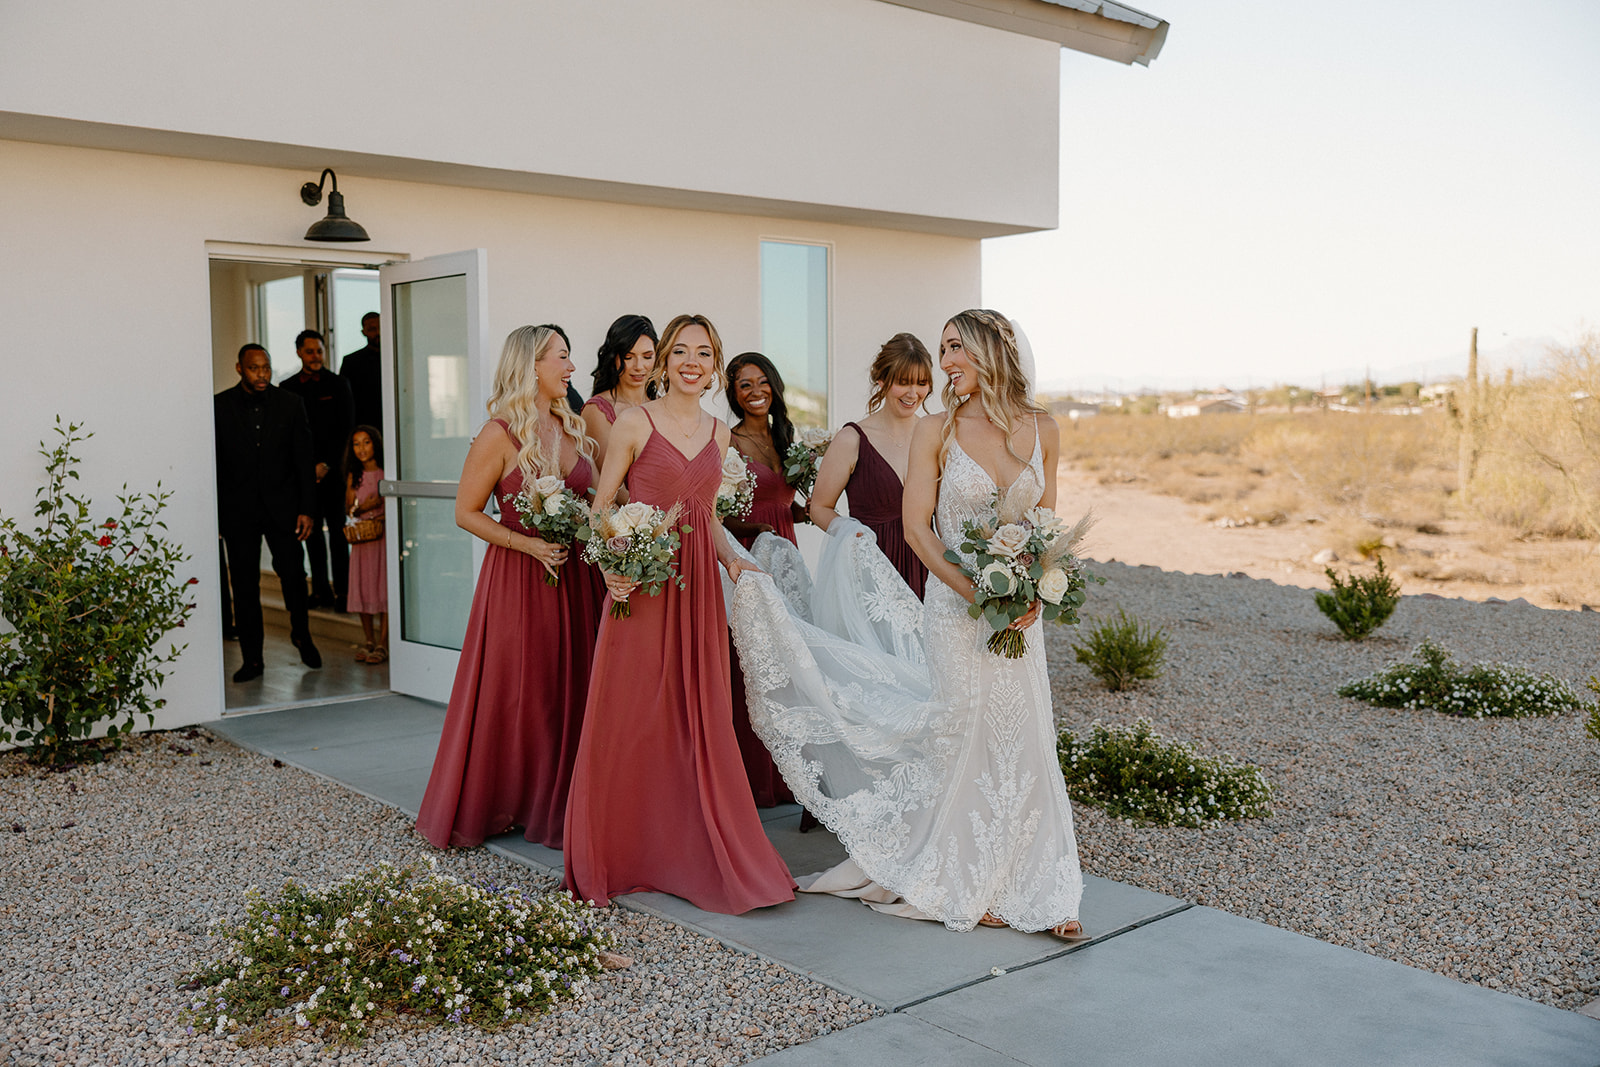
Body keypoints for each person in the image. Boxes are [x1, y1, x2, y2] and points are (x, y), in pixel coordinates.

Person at [726, 310, 1086, 941]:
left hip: (1020, 620)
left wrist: (1032, 589)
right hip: (954, 610)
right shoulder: (936, 433)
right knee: (964, 736)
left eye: (954, 348)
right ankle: (969, 878)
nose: (945, 362)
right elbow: (918, 528)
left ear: (988, 350)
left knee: (1027, 740)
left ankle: (1041, 885)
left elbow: (1045, 527)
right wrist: (975, 590)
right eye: (943, 349)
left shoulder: (1045, 429)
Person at [563, 314, 796, 916]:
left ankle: (688, 845)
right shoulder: (635, 422)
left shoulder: (720, 434)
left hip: (698, 591)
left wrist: (733, 560)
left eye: (704, 353)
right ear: (665, 360)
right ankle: (620, 850)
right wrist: (610, 565)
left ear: (713, 364)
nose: (691, 362)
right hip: (643, 585)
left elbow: (704, 512)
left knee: (696, 713)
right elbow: (601, 506)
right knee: (633, 712)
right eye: (681, 352)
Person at [416, 325, 608, 853]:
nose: (571, 368)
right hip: (521, 577)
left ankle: (559, 799)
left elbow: (592, 501)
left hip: (575, 576)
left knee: (568, 686)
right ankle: (509, 798)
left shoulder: (572, 427)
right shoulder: (499, 434)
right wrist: (526, 546)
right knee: (523, 690)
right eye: (562, 358)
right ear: (533, 365)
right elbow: (465, 512)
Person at [213, 343, 320, 681]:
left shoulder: (290, 404)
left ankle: (301, 633)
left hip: (284, 510)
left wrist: (307, 510)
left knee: (293, 576)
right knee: (244, 587)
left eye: (266, 367)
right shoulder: (218, 406)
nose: (262, 374)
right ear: (239, 368)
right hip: (238, 513)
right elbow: (213, 464)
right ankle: (253, 659)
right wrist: (214, 514)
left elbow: (304, 461)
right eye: (254, 368)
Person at [808, 333, 933, 597]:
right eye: (903, 382)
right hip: (873, 575)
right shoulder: (851, 439)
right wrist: (851, 534)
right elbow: (819, 507)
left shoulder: (935, 436)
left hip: (929, 570)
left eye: (922, 383)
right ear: (882, 380)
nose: (913, 393)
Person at [279, 329, 355, 611]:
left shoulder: (339, 384)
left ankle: (344, 594)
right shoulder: (286, 387)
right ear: (299, 352)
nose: (315, 356)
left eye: (319, 351)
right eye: (309, 351)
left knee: (337, 533)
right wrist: (305, 468)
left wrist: (327, 464)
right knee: (310, 534)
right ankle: (320, 590)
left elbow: (347, 429)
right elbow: (286, 433)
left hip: (334, 473)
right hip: (302, 476)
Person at [723, 352, 807, 547]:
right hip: (749, 548)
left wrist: (806, 512)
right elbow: (719, 515)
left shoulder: (784, 437)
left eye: (763, 382)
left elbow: (780, 505)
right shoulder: (728, 442)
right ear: (734, 394)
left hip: (785, 548)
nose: (756, 391)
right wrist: (758, 529)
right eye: (745, 385)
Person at [581, 314, 658, 473]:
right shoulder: (598, 411)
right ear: (613, 358)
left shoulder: (664, 405)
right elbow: (608, 480)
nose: (639, 366)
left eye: (647, 356)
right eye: (628, 357)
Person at [342, 425, 388, 664]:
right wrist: (365, 507)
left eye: (366, 442)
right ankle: (368, 639)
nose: (361, 449)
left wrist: (376, 512)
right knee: (362, 585)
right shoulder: (354, 475)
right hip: (362, 538)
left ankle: (384, 643)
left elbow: (392, 507)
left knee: (383, 586)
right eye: (356, 444)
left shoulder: (385, 472)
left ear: (375, 444)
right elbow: (350, 508)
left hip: (381, 537)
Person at [341, 312, 383, 431]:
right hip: (364, 427)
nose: (378, 333)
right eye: (372, 329)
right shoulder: (351, 362)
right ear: (363, 332)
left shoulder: (399, 357)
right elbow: (346, 403)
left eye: (381, 327)